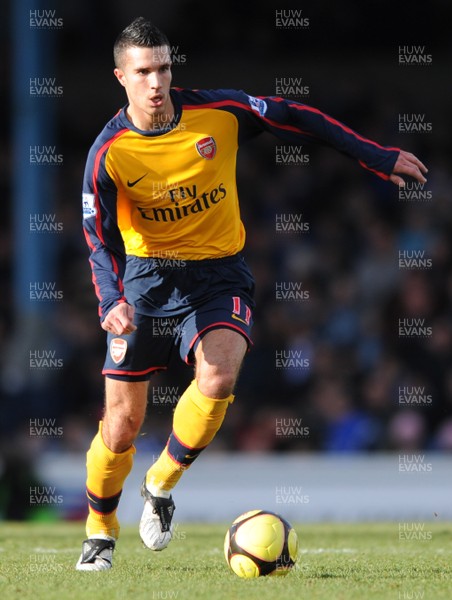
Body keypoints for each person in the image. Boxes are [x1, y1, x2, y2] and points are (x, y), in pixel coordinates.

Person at [76, 16, 428, 570]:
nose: (156, 82)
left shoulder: (220, 111)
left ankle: (161, 485)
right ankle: (99, 529)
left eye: (164, 67)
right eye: (143, 71)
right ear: (122, 76)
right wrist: (110, 299)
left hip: (219, 274)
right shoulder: (109, 151)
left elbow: (295, 115)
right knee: (120, 426)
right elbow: (96, 234)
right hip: (146, 282)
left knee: (217, 376)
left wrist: (373, 155)